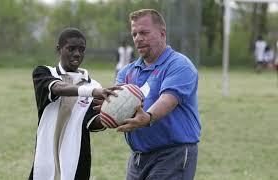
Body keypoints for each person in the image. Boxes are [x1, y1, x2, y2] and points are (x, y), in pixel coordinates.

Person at [115, 9, 201, 180]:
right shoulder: (127, 72)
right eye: (135, 34)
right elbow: (116, 105)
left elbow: (168, 100)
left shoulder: (180, 65)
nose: (138, 38)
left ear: (162, 33)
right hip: (138, 157)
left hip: (172, 154)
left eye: (144, 32)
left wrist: (147, 117)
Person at [28, 27, 119, 180]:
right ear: (59, 49)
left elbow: (91, 123)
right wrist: (91, 92)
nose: (77, 54)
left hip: (76, 161)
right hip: (45, 157)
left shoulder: (94, 85)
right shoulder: (44, 73)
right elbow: (57, 88)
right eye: (71, 49)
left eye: (81, 49)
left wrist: (112, 116)